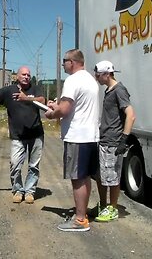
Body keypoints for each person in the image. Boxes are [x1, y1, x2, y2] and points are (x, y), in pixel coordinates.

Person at [0, 66, 45, 204]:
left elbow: (42, 100)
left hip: (36, 134)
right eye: (23, 74)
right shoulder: (8, 91)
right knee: (15, 164)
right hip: (18, 135)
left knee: (34, 166)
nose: (26, 77)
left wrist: (26, 98)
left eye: (28, 75)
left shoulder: (35, 89)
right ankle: (17, 190)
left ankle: (30, 191)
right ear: (17, 76)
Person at [45, 49, 100, 232]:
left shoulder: (72, 80)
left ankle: (80, 219)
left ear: (72, 62)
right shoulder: (90, 80)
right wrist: (58, 106)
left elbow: (65, 110)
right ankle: (82, 213)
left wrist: (52, 113)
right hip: (91, 137)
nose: (63, 64)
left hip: (77, 137)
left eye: (64, 61)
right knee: (84, 177)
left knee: (77, 178)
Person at [92, 60, 136, 222]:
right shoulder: (109, 90)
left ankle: (113, 208)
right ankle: (103, 205)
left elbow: (131, 115)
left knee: (112, 177)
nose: (96, 77)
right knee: (101, 176)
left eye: (98, 75)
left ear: (107, 74)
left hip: (113, 142)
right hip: (104, 140)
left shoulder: (119, 90)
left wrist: (124, 139)